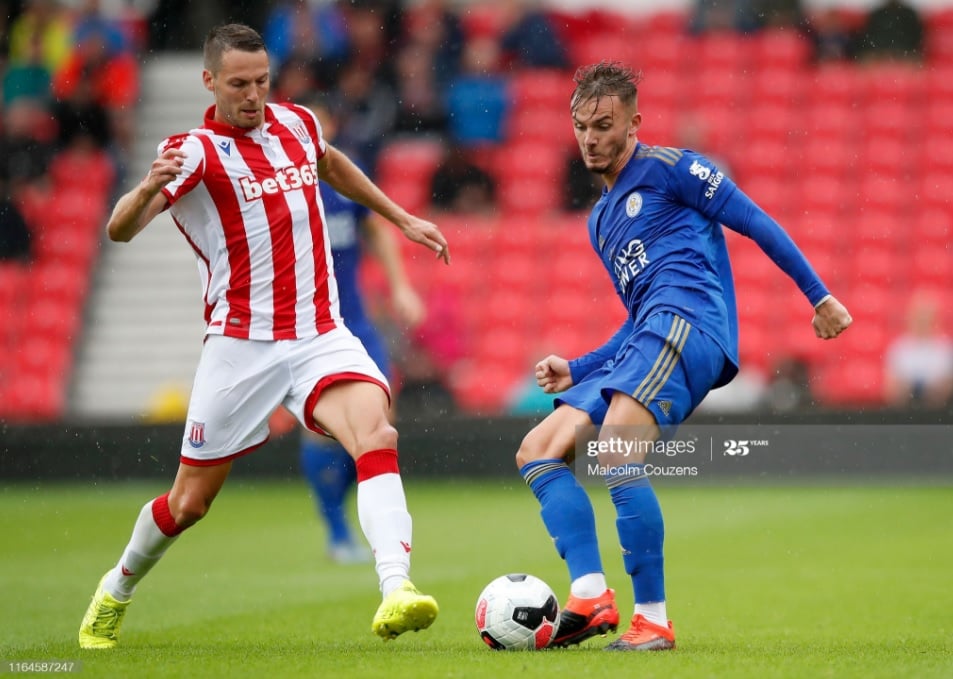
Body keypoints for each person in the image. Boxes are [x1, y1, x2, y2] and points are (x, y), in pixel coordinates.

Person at [78, 23, 449, 650]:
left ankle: (396, 589)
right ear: (210, 82)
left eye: (261, 82)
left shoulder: (297, 125)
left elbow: (330, 163)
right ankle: (116, 588)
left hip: (318, 333)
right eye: (239, 84)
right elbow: (119, 231)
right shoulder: (193, 152)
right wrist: (145, 187)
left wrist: (401, 216)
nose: (253, 96)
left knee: (377, 432)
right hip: (240, 346)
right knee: (189, 504)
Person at [515, 62, 851, 652]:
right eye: (581, 127)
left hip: (691, 327)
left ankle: (654, 621)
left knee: (615, 451)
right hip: (651, 334)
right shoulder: (600, 221)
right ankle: (591, 594)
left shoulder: (675, 168)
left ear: (633, 123)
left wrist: (818, 296)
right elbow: (635, 319)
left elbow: (754, 220)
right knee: (538, 448)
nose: (590, 138)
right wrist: (580, 368)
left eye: (603, 124)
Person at [297, 97, 425, 564]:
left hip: (357, 323)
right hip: (309, 331)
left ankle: (355, 515)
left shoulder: (343, 180)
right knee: (322, 430)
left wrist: (400, 288)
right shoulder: (284, 189)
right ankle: (336, 532)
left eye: (320, 122)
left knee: (379, 424)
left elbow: (373, 231)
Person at [884, 291, 953, 408]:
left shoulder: (945, 349)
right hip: (906, 411)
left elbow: (948, 384)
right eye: (920, 318)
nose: (923, 323)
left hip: (939, 411)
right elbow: (891, 388)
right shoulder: (899, 348)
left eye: (926, 318)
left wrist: (932, 394)